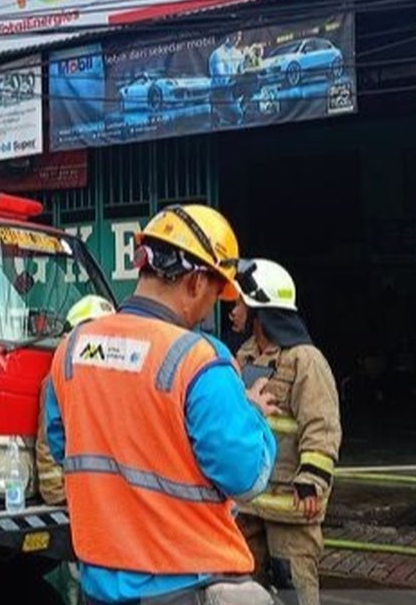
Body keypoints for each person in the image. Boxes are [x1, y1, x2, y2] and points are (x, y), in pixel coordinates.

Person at [43, 204, 279, 605]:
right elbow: (245, 476)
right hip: (184, 586)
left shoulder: (71, 351)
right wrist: (251, 413)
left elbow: (66, 447)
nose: (210, 309)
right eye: (213, 293)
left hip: (97, 587)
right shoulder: (199, 359)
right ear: (194, 282)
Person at [233, 259, 342, 605]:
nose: (233, 310)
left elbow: (321, 426)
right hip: (249, 506)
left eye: (239, 303)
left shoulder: (306, 361)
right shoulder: (244, 355)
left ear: (259, 312)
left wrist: (311, 478)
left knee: (293, 591)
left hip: (290, 509)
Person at [37, 295, 116, 506]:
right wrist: (58, 496)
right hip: (80, 495)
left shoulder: (115, 379)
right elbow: (49, 442)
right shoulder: (58, 379)